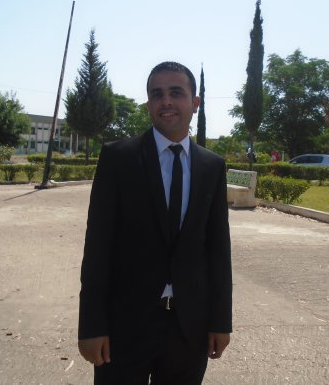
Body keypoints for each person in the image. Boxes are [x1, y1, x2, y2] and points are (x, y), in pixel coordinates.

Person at [78, 61, 233, 384]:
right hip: (124, 326)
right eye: (157, 94)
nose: (166, 102)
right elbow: (98, 248)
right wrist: (91, 326)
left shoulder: (212, 166)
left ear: (195, 102)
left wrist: (221, 321)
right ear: (148, 103)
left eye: (176, 93)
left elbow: (218, 250)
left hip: (189, 329)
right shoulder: (118, 159)